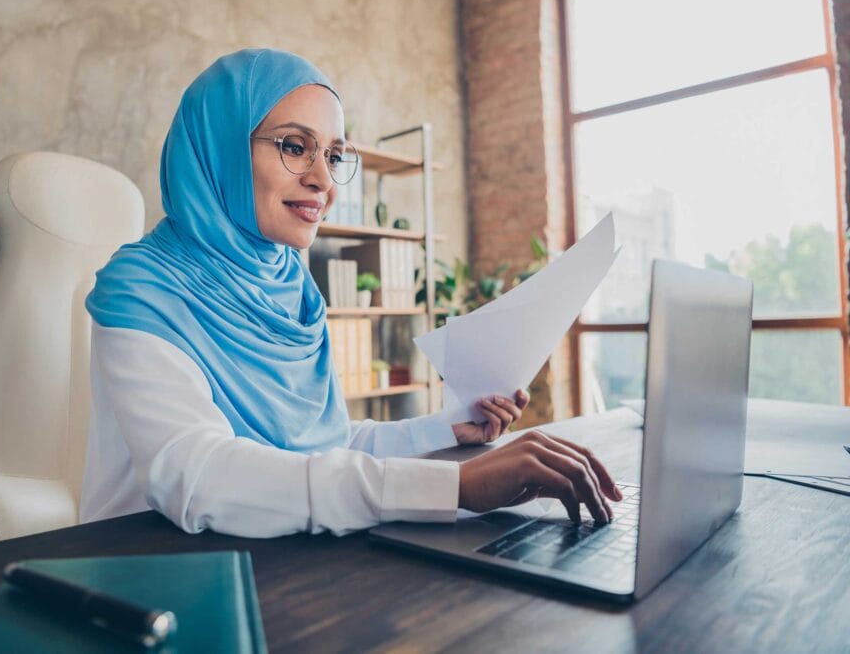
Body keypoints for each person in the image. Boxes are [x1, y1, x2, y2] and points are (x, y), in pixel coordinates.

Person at [81, 48, 622, 537]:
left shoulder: (293, 290)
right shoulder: (144, 288)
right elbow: (196, 475)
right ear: (218, 148)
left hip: (274, 561)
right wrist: (451, 488)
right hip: (146, 582)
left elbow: (323, 445)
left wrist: (441, 432)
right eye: (295, 147)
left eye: (335, 156)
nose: (325, 180)